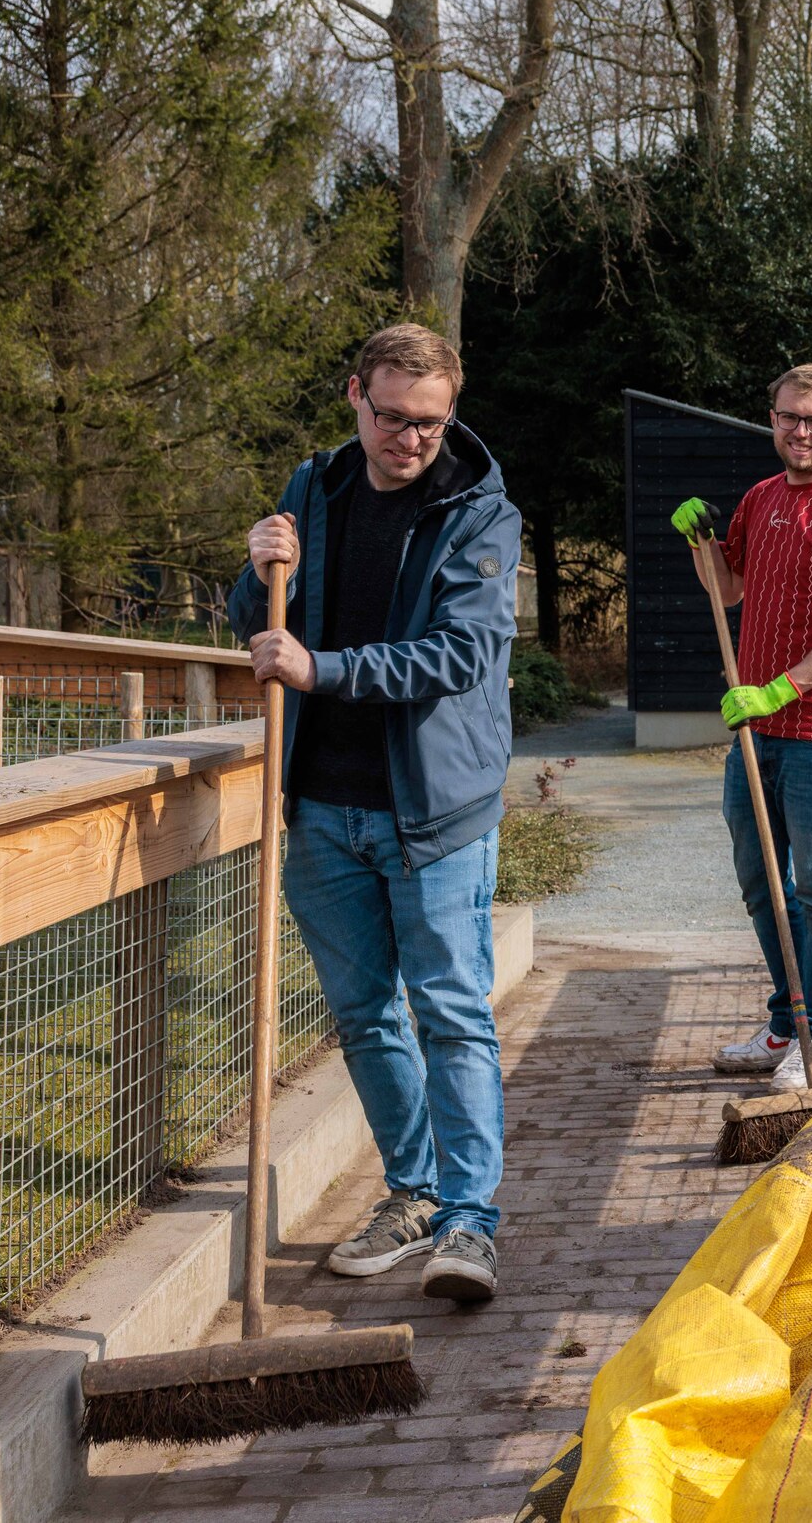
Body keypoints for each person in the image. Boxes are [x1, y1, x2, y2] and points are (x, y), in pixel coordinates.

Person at [231, 323, 521, 1301]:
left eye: (430, 424)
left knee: (450, 1012)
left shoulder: (479, 513)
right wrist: (257, 565)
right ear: (356, 394)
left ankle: (471, 1224)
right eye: (393, 417)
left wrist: (327, 669)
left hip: (433, 810)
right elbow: (262, 625)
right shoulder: (312, 488)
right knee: (362, 1015)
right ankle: (414, 1191)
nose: (409, 439)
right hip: (319, 805)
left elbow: (459, 654)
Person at [671, 364, 812, 1092]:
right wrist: (701, 543)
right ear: (772, 417)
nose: (801, 430)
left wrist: (778, 690)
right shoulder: (760, 500)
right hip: (753, 737)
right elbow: (727, 591)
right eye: (790, 416)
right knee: (762, 881)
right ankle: (784, 1021)